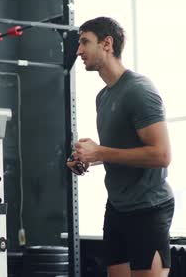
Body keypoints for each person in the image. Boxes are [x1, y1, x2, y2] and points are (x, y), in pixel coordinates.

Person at [67, 17, 174, 277]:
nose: (78, 51)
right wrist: (89, 158)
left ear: (107, 43)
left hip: (148, 208)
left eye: (84, 42)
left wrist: (100, 152)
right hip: (117, 208)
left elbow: (161, 155)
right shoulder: (103, 97)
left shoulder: (139, 90)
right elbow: (124, 151)